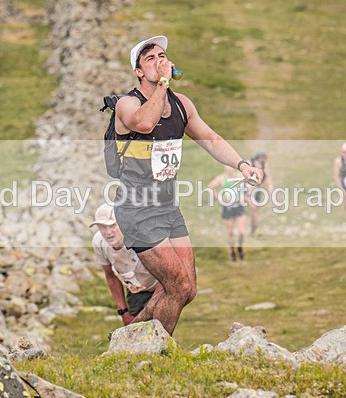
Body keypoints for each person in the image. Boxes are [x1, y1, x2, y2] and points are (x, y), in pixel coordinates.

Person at [112, 35, 263, 335]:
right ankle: (155, 354)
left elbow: (210, 138)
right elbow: (143, 123)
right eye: (150, 59)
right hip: (137, 209)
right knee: (177, 285)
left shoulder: (181, 105)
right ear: (139, 72)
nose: (159, 62)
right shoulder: (126, 104)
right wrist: (164, 85)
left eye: (162, 56)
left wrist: (242, 165)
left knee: (188, 289)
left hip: (167, 207)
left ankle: (128, 336)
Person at [91, 203, 159, 326]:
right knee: (134, 331)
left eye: (112, 225)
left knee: (160, 329)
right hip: (136, 289)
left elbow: (166, 277)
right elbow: (110, 276)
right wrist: (123, 312)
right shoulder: (99, 242)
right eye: (101, 227)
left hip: (162, 286)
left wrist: (151, 308)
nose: (108, 232)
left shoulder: (142, 237)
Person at [208, 165, 248, 261]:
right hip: (228, 207)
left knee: (242, 232)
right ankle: (232, 252)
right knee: (230, 232)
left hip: (239, 206)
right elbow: (210, 186)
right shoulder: (222, 178)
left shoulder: (240, 176)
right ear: (225, 168)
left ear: (233, 168)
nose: (229, 169)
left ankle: (240, 247)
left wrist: (245, 194)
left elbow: (250, 183)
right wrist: (219, 197)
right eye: (227, 167)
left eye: (230, 167)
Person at [248, 150, 273, 236]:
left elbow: (268, 177)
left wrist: (270, 188)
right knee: (253, 208)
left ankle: (254, 227)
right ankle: (253, 227)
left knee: (256, 209)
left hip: (257, 190)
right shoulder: (250, 163)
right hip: (247, 189)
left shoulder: (264, 165)